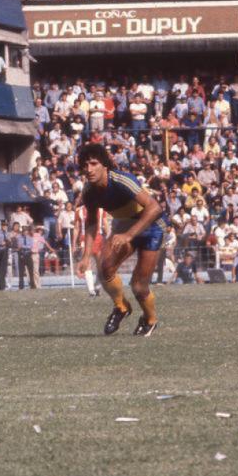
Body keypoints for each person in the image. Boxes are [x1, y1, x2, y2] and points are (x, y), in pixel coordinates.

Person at [75, 143, 167, 337]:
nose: (89, 169)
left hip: (152, 227)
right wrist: (85, 256)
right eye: (85, 165)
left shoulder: (121, 180)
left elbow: (155, 208)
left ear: (104, 165)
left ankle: (150, 320)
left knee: (139, 286)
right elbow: (91, 223)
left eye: (93, 163)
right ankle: (122, 307)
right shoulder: (89, 191)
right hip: (125, 226)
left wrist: (128, 235)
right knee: (104, 268)